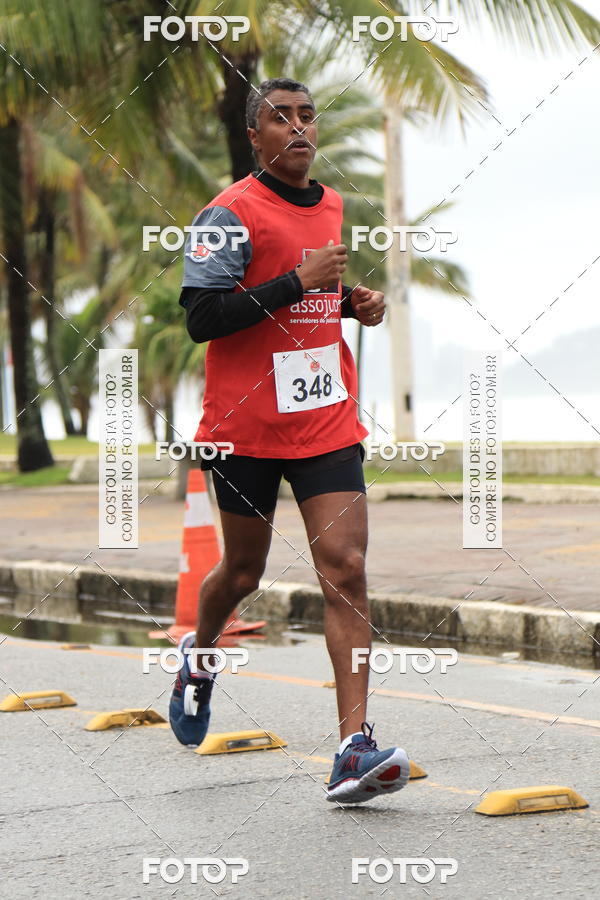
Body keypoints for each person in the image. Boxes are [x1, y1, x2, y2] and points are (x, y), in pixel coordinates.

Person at [169, 77, 409, 804]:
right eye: (282, 119)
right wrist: (297, 282)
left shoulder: (331, 203)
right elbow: (203, 316)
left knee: (347, 566)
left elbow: (308, 294)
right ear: (256, 136)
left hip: (326, 420)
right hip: (245, 425)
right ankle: (200, 654)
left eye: (307, 117)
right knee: (242, 573)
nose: (299, 128)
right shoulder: (226, 213)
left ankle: (352, 748)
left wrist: (351, 303)